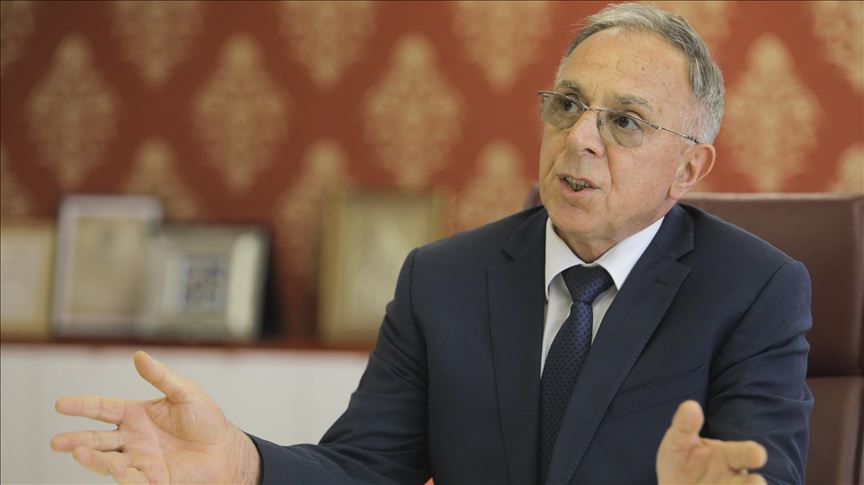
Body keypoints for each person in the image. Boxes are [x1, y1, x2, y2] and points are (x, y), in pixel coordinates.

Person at [51, 3, 813, 484]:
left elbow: (766, 470)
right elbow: (364, 466)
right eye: (568, 104)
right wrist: (242, 462)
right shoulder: (444, 278)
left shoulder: (754, 290)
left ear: (688, 167)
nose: (580, 137)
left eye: (625, 121)